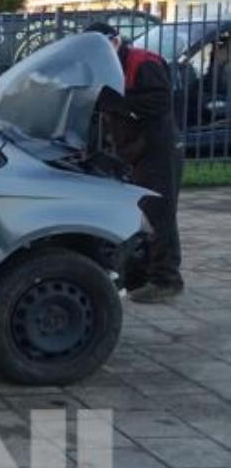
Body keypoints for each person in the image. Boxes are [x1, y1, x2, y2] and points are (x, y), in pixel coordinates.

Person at [84, 22, 183, 302]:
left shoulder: (143, 63)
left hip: (158, 150)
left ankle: (166, 280)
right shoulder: (106, 68)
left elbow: (159, 102)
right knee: (139, 216)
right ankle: (141, 275)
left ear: (115, 42)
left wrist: (115, 101)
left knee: (158, 214)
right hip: (133, 151)